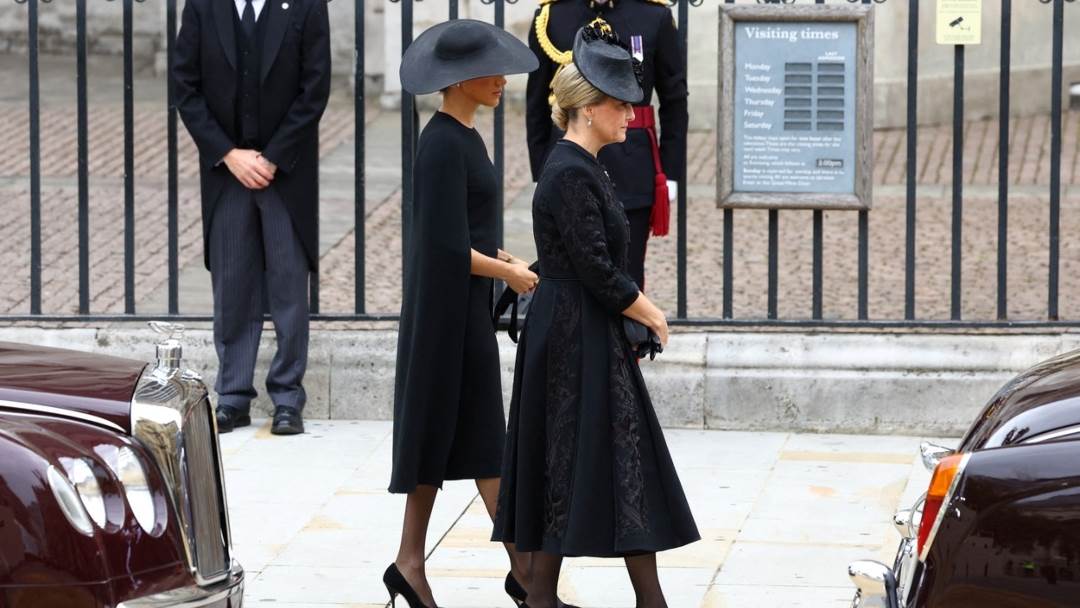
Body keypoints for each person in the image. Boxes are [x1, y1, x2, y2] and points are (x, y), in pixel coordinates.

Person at [491, 25, 699, 608]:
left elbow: (580, 259)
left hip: (581, 327)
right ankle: (562, 598)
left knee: (600, 456)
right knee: (585, 455)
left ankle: (554, 597)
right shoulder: (568, 171)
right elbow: (597, 269)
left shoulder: (581, 166)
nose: (631, 115)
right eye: (620, 105)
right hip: (572, 335)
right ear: (587, 110)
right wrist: (652, 313)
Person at [386, 19, 561, 608]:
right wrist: (506, 274)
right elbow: (442, 246)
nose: (503, 81)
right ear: (460, 80)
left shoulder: (463, 137)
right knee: (475, 435)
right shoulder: (440, 144)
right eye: (491, 73)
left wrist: (500, 257)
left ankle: (413, 563)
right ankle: (524, 574)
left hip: (461, 309)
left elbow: (463, 232)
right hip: (446, 318)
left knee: (460, 435)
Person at [173, 0, 331, 435]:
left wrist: (273, 157)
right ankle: (233, 396)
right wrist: (228, 154)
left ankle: (287, 397)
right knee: (232, 285)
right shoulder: (203, 5)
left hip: (287, 172)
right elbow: (185, 86)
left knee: (289, 285)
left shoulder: (307, 5)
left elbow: (315, 88)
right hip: (226, 173)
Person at [525, 0, 688, 290]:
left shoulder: (654, 16)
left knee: (628, 271)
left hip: (632, 166)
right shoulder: (552, 16)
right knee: (569, 269)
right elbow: (536, 101)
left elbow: (674, 99)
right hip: (567, 163)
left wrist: (670, 171)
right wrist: (541, 168)